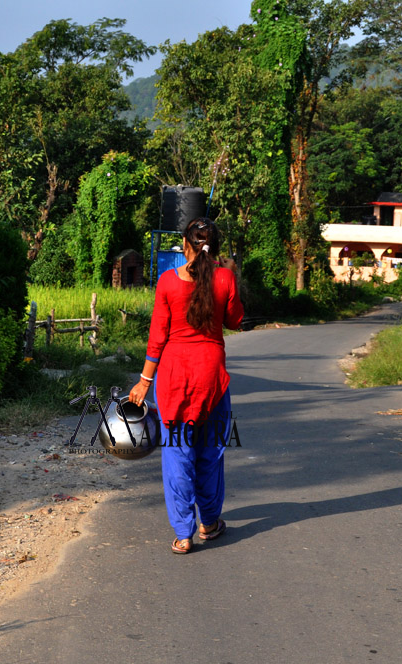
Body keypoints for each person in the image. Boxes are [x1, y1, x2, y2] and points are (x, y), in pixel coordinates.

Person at [129, 218, 244, 554]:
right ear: (216, 246)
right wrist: (231, 274)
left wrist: (143, 381)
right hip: (211, 377)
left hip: (174, 377)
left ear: (186, 244)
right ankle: (209, 523)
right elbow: (235, 321)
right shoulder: (224, 278)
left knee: (177, 452)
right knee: (210, 451)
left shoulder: (167, 281)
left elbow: (157, 338)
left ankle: (183, 534)